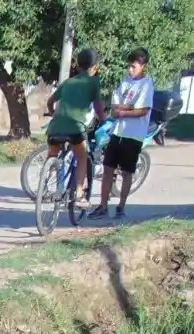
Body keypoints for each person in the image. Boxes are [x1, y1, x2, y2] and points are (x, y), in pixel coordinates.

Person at [90, 48, 155, 220]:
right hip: (117, 132)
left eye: (134, 67)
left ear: (143, 66)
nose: (130, 70)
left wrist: (125, 111)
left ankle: (121, 206)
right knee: (108, 170)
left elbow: (143, 110)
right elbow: (115, 106)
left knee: (127, 172)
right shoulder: (125, 83)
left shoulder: (146, 85)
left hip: (133, 135)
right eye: (129, 66)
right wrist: (128, 107)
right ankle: (102, 206)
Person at [45, 48, 105, 204]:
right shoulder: (93, 82)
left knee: (53, 154)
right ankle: (79, 195)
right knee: (82, 157)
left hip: (54, 128)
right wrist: (104, 120)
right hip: (75, 128)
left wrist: (53, 113)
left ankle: (46, 183)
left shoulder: (68, 82)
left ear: (78, 66)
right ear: (95, 66)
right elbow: (98, 108)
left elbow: (50, 101)